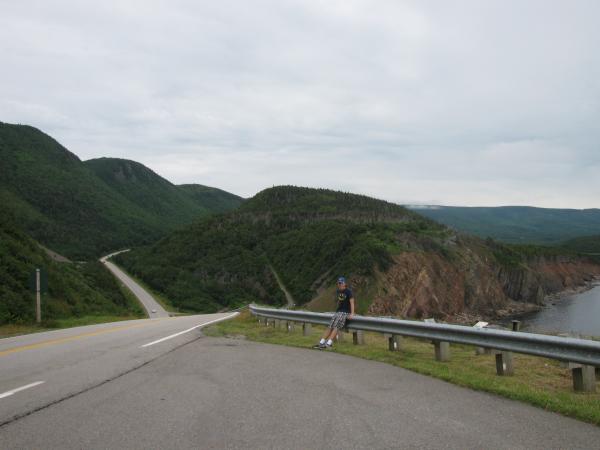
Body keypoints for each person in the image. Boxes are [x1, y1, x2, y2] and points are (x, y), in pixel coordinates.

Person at [313, 276, 355, 349]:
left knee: (336, 326)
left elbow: (352, 302)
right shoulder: (338, 291)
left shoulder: (348, 291)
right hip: (338, 312)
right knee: (330, 326)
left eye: (341, 283)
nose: (340, 284)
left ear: (344, 283)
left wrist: (352, 313)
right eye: (339, 283)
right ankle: (321, 342)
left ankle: (329, 343)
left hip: (345, 312)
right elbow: (339, 302)